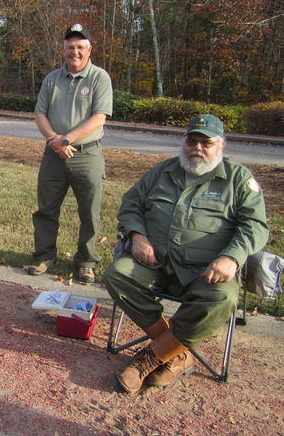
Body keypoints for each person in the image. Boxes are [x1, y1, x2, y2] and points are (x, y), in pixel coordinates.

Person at [103, 114, 269, 394]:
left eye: (206, 143)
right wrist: (137, 235)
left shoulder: (238, 180)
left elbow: (256, 226)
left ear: (222, 144)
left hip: (205, 272)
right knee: (118, 275)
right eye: (192, 141)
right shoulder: (162, 172)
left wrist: (231, 257)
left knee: (222, 298)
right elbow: (131, 204)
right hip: (155, 264)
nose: (198, 148)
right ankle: (178, 354)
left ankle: (152, 357)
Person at [29, 23, 113, 284]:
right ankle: (44, 256)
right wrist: (55, 140)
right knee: (46, 209)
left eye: (79, 47)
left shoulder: (99, 77)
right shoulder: (52, 79)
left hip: (87, 155)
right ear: (63, 49)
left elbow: (99, 117)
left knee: (89, 211)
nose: (74, 52)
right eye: (69, 47)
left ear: (89, 49)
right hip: (53, 154)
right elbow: (39, 114)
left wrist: (67, 139)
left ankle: (86, 262)